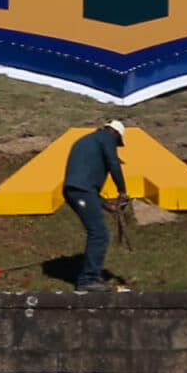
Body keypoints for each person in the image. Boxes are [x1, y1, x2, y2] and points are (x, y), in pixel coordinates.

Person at [61, 120, 129, 291]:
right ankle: (88, 279)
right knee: (99, 233)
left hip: (78, 190)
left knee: (98, 232)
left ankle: (91, 276)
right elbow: (113, 163)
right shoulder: (106, 139)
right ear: (115, 133)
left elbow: (86, 182)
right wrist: (122, 191)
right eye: (117, 141)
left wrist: (107, 205)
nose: (115, 145)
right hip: (81, 191)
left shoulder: (88, 140)